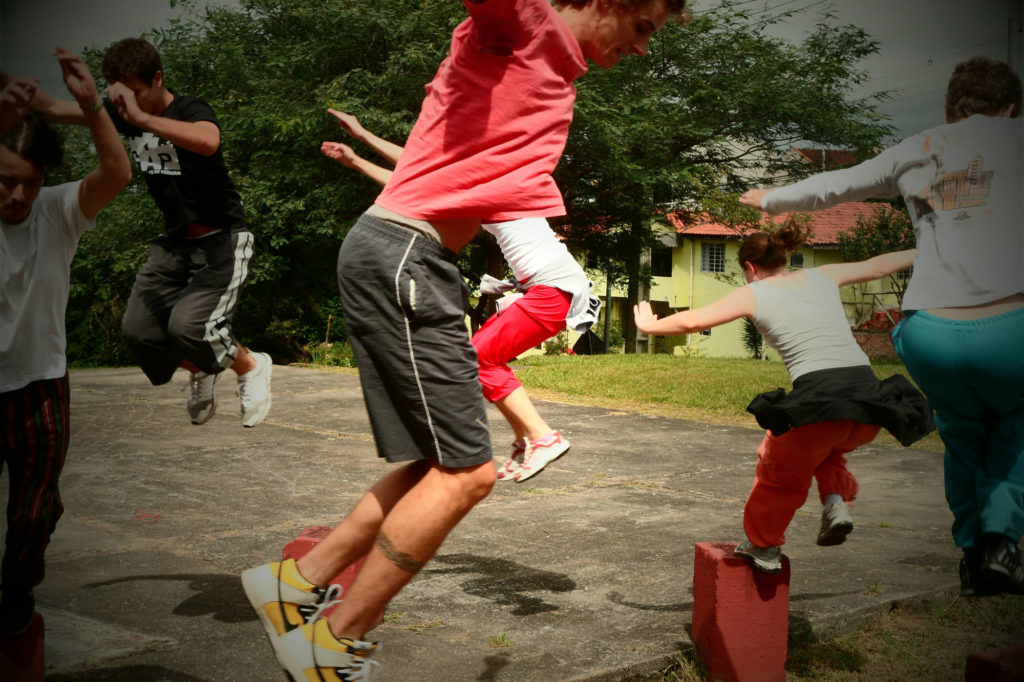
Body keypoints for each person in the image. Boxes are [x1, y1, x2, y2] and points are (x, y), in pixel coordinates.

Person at [241, 0, 687, 677]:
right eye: (644, 27)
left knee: (437, 466)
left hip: (409, 257)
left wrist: (363, 145)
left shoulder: (547, 73)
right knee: (469, 473)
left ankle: (294, 585)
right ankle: (329, 644)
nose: (643, 48)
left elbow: (428, 164)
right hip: (404, 258)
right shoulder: (523, 25)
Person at [739, 57, 1023, 594]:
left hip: (929, 333)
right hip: (1011, 329)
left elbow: (836, 185)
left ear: (949, 108)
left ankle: (969, 555)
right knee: (1015, 424)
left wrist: (772, 198)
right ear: (1010, 109)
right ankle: (1002, 543)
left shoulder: (920, 146)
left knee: (963, 433)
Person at [634, 220, 934, 573]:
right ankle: (836, 503)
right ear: (784, 256)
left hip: (823, 402)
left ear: (750, 267)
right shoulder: (823, 276)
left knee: (777, 468)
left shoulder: (753, 293)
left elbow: (693, 321)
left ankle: (763, 547)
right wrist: (927, 249)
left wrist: (650, 325)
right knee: (827, 450)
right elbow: (879, 266)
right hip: (869, 406)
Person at [321, 109, 603, 483]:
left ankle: (543, 436)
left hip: (553, 292)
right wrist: (358, 153)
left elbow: (415, 176)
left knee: (479, 358)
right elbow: (415, 182)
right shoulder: (498, 177)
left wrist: (362, 141)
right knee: (484, 358)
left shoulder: (495, 178)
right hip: (549, 291)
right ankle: (525, 440)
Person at [30, 37, 272, 428]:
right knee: (139, 331)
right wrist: (72, 93)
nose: (129, 105)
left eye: (137, 94)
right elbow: (49, 108)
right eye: (120, 97)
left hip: (220, 240)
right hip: (175, 242)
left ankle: (250, 365)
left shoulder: (189, 108)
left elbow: (209, 141)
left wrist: (141, 119)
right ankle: (202, 368)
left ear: (157, 79)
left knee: (188, 326)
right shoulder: (123, 110)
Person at [0, 50, 132, 635]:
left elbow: (117, 173)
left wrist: (88, 106)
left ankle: (15, 598)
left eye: (29, 184)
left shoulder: (56, 212)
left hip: (40, 384)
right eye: (5, 182)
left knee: (33, 513)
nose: (17, 197)